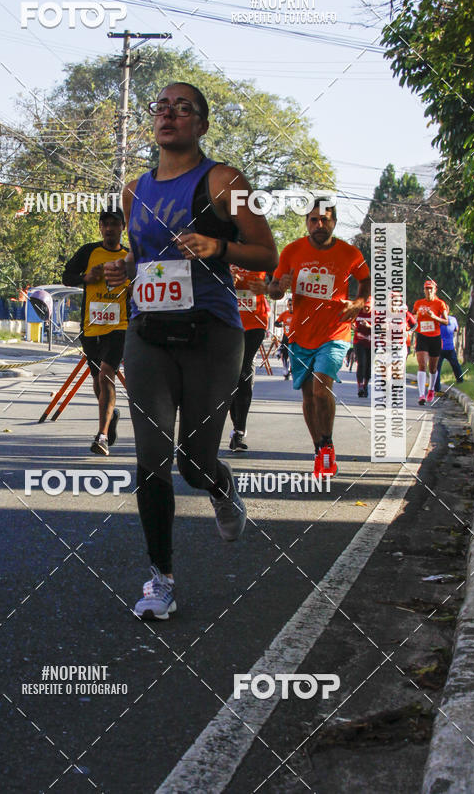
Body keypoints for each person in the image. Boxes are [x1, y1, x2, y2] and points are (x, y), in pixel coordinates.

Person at [104, 81, 277, 620]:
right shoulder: (134, 191)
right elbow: (145, 259)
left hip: (212, 332)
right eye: (162, 107)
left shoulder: (226, 181)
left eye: (184, 109)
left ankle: (221, 485)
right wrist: (124, 270)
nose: (169, 115)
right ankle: (161, 579)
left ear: (202, 124)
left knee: (193, 465)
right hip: (149, 329)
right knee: (151, 462)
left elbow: (267, 253)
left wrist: (218, 247)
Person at [268, 199, 370, 478]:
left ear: (334, 222)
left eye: (324, 220)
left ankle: (327, 446)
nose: (319, 225)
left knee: (320, 391)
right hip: (301, 334)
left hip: (335, 331)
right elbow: (274, 290)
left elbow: (365, 278)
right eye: (313, 220)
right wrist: (280, 287)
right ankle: (318, 449)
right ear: (307, 224)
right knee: (308, 397)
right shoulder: (291, 251)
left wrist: (360, 301)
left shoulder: (349, 253)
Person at [62, 206, 130, 456]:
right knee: (97, 381)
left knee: (106, 375)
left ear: (123, 227)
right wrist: (85, 277)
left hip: (119, 326)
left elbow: (142, 285)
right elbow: (66, 276)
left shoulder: (129, 256)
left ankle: (101, 436)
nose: (110, 228)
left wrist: (128, 285)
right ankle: (111, 417)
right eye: (106, 224)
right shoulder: (89, 251)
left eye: (115, 224)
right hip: (91, 326)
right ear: (100, 227)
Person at [228, 267, 270, 451]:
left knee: (243, 370)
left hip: (254, 323)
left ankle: (239, 430)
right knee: (231, 374)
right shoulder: (221, 249)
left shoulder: (260, 253)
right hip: (227, 321)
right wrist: (225, 280)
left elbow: (278, 284)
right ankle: (237, 425)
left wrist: (266, 286)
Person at [412, 279, 449, 405]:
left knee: (432, 368)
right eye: (426, 288)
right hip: (422, 336)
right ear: (424, 290)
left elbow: (446, 321)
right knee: (422, 364)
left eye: (430, 288)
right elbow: (412, 318)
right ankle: (421, 395)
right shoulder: (418, 303)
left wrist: (434, 317)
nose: (428, 291)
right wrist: (414, 319)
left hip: (435, 338)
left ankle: (431, 389)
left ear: (435, 290)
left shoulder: (440, 304)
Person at [435, 313, 464, 392]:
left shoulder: (436, 319)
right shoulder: (453, 319)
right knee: (455, 365)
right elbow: (456, 329)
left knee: (437, 368)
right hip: (450, 346)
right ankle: (460, 380)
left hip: (439, 347)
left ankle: (437, 388)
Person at [353, 297, 372, 397]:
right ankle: (360, 386)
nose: (366, 309)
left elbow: (381, 328)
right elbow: (349, 321)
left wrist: (369, 326)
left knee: (369, 366)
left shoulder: (376, 314)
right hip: (359, 341)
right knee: (361, 363)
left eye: (368, 307)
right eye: (365, 307)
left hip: (371, 343)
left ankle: (365, 384)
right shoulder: (358, 312)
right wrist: (353, 327)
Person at [275, 297, 294, 379]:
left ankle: (291, 368)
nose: (291, 306)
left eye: (293, 304)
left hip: (295, 338)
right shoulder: (284, 314)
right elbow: (276, 323)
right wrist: (282, 325)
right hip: (286, 337)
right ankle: (286, 370)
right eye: (290, 304)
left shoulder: (298, 314)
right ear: (287, 305)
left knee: (293, 355)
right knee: (284, 355)